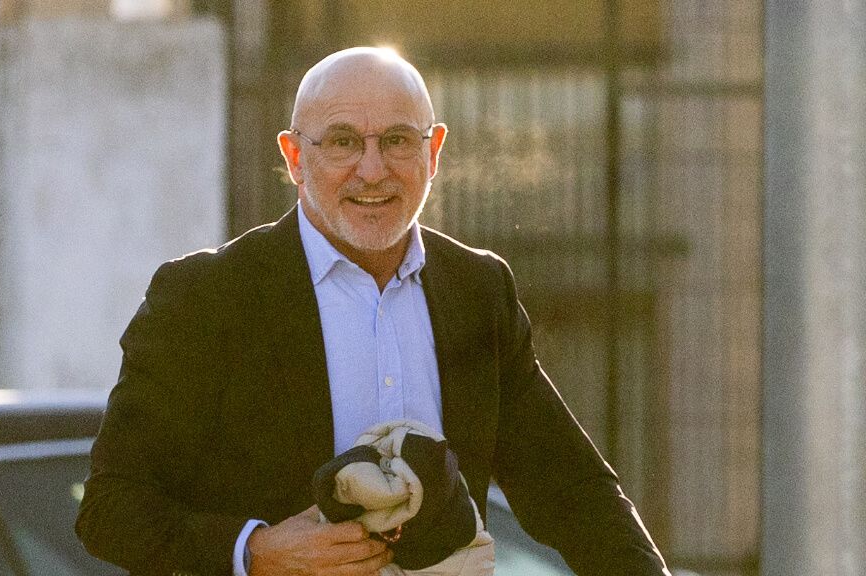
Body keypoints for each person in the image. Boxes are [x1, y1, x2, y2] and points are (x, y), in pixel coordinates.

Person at [76, 47, 671, 576]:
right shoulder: (206, 296)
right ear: (293, 158)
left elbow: (574, 492)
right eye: (341, 141)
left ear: (433, 152)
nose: (372, 169)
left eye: (396, 139)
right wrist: (255, 552)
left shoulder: (476, 290)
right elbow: (110, 507)